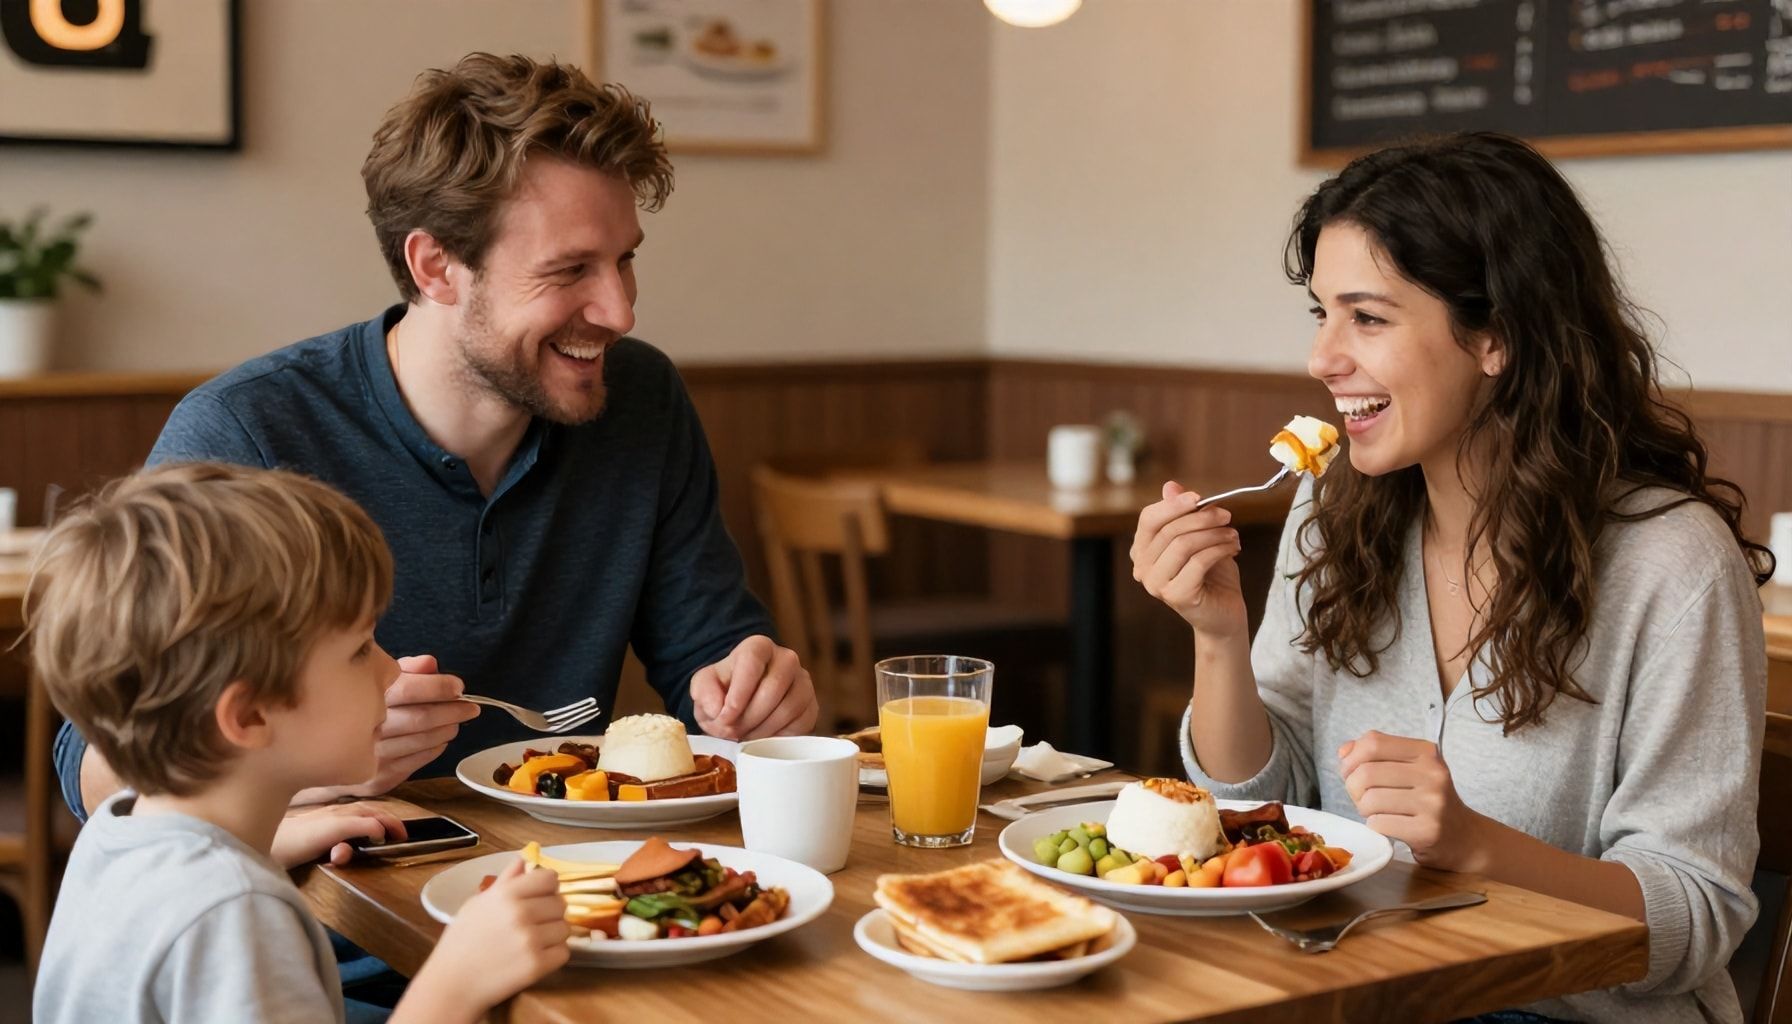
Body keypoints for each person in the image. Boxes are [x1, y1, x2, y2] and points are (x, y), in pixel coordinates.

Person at [54, 52, 817, 821]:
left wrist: (752, 694)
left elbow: (710, 654)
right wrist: (318, 767)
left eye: (624, 261)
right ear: (436, 266)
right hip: (334, 893)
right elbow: (95, 770)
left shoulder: (640, 400)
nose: (620, 311)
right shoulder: (249, 432)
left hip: (589, 874)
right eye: (570, 271)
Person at [1130, 132, 1772, 1023]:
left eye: (1368, 317)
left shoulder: (1673, 564)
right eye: (1321, 313)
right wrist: (1218, 637)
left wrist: (1476, 847)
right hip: (1367, 991)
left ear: (1495, 336)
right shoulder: (1333, 509)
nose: (1322, 357)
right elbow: (1259, 810)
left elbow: (1695, 921)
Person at [28, 463, 571, 1024]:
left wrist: (258, 847)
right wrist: (459, 978)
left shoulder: (116, 835)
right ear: (249, 715)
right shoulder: (236, 915)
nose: (391, 670)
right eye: (360, 650)